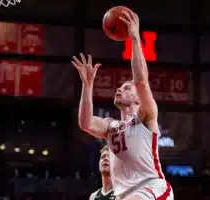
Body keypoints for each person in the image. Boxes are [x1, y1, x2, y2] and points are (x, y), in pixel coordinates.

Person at [71, 10, 173, 200]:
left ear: (137, 98)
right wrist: (87, 86)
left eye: (126, 88)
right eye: (119, 88)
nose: (119, 90)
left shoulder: (146, 116)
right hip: (123, 194)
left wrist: (134, 38)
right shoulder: (111, 126)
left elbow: (141, 80)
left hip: (151, 186)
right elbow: (86, 123)